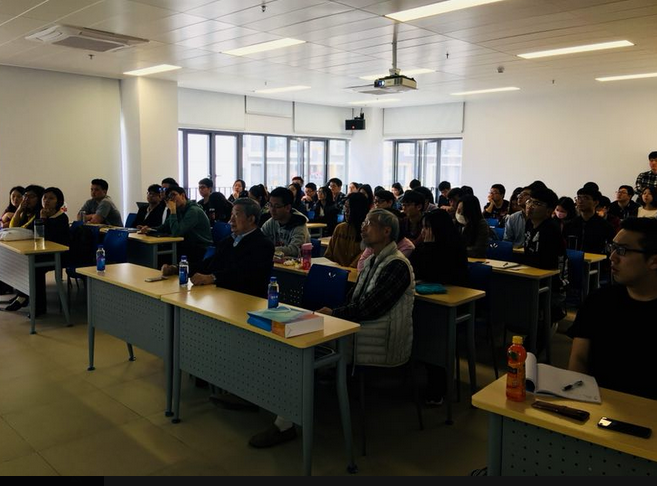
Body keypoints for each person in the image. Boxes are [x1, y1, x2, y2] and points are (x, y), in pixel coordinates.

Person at [248, 209, 416, 449]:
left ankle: (284, 424)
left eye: (369, 223)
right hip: (359, 328)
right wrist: (333, 312)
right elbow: (355, 300)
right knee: (287, 334)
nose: (363, 227)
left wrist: (334, 314)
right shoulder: (374, 260)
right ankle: (270, 403)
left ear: (387, 231)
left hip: (378, 338)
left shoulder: (397, 264)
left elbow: (371, 308)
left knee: (298, 346)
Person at [567, 218, 657, 400]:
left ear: (653, 261)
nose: (612, 257)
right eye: (613, 248)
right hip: (598, 405)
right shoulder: (598, 302)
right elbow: (579, 359)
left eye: (622, 251)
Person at [410, 209, 468, 405]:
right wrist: (426, 246)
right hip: (428, 300)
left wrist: (428, 247)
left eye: (427, 228)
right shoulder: (425, 247)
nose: (424, 232)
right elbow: (414, 268)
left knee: (432, 331)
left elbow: (438, 275)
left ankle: (437, 385)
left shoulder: (454, 247)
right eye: (423, 227)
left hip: (450, 305)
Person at [189, 198, 274, 297]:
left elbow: (244, 274)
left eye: (237, 215)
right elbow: (209, 264)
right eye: (232, 215)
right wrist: (181, 268)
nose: (231, 220)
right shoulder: (228, 241)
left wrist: (213, 278)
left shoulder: (263, 245)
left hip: (247, 298)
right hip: (222, 296)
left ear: (251, 219)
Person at [6, 187, 69, 314]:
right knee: (23, 261)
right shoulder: (41, 214)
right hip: (42, 252)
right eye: (45, 198)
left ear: (59, 201)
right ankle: (23, 295)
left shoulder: (61, 217)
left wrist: (43, 219)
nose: (46, 201)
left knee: (35, 267)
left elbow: (49, 237)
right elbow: (30, 231)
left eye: (51, 198)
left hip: (59, 254)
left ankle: (38, 307)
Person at [523, 187, 569, 324]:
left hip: (551, 281)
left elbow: (548, 264)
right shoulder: (529, 223)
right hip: (532, 275)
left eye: (537, 203)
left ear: (549, 211)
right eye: (530, 201)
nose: (530, 206)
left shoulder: (551, 229)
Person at [141, 186, 212, 273]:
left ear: (182, 195)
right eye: (169, 197)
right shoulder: (179, 209)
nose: (172, 199)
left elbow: (176, 232)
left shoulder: (193, 211)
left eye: (173, 195)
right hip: (185, 244)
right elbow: (164, 227)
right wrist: (150, 229)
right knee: (157, 251)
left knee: (163, 255)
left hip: (199, 247)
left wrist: (173, 211)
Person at [260, 187, 310, 258]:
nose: (272, 210)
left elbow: (295, 250)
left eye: (277, 206)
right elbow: (259, 239)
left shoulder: (299, 223)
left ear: (288, 208)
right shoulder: (272, 222)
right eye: (270, 205)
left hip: (296, 263)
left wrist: (269, 249)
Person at [563, 186, 615, 254]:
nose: (580, 201)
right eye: (579, 198)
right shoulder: (569, 225)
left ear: (595, 202)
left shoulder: (606, 227)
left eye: (586, 198)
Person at [324, 192, 368, 268]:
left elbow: (360, 261)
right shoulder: (340, 228)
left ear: (359, 210)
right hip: (335, 271)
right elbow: (328, 256)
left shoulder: (368, 232)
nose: (346, 212)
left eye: (350, 208)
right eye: (345, 207)